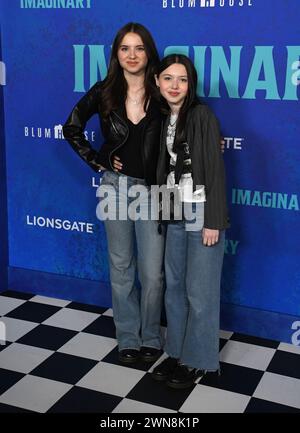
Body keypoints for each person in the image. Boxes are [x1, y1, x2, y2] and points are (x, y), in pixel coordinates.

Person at [63, 23, 165, 364]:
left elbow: (192, 119)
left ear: (149, 51)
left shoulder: (163, 86)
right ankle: (128, 339)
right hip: (115, 189)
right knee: (121, 267)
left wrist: (211, 140)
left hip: (156, 191)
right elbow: (72, 126)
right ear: (116, 53)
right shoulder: (105, 90)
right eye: (125, 48)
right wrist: (99, 159)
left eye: (139, 48)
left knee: (153, 272)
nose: (132, 55)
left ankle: (152, 335)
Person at [151, 54, 229, 389]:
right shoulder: (163, 117)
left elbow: (213, 169)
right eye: (168, 78)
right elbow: (163, 169)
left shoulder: (202, 115)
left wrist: (213, 221)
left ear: (191, 84)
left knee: (201, 292)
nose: (174, 85)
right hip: (173, 208)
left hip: (201, 212)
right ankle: (176, 352)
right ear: (158, 81)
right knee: (175, 287)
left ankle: (198, 361)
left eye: (182, 80)